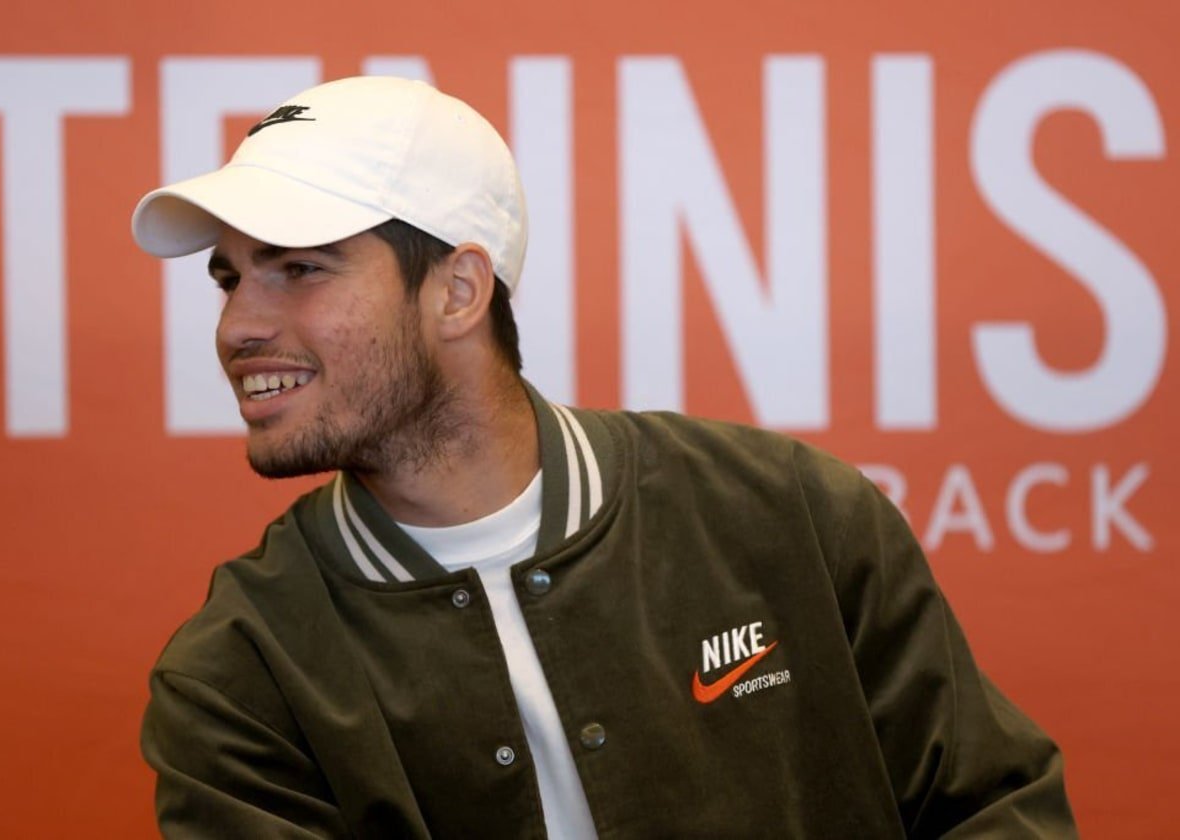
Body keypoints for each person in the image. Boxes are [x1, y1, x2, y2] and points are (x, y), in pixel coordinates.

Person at [131, 76, 1077, 838]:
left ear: (458, 291)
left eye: (299, 268)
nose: (238, 326)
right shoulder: (235, 675)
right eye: (230, 279)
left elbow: (995, 808)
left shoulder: (788, 513)